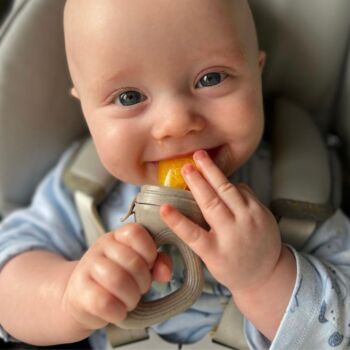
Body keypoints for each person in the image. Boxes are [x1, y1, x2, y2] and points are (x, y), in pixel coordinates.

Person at [0, 0, 350, 349]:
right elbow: (7, 278)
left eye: (211, 78)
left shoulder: (298, 192)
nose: (176, 123)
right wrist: (68, 295)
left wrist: (266, 276)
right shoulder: (86, 190)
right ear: (87, 109)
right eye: (128, 97)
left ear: (256, 74)